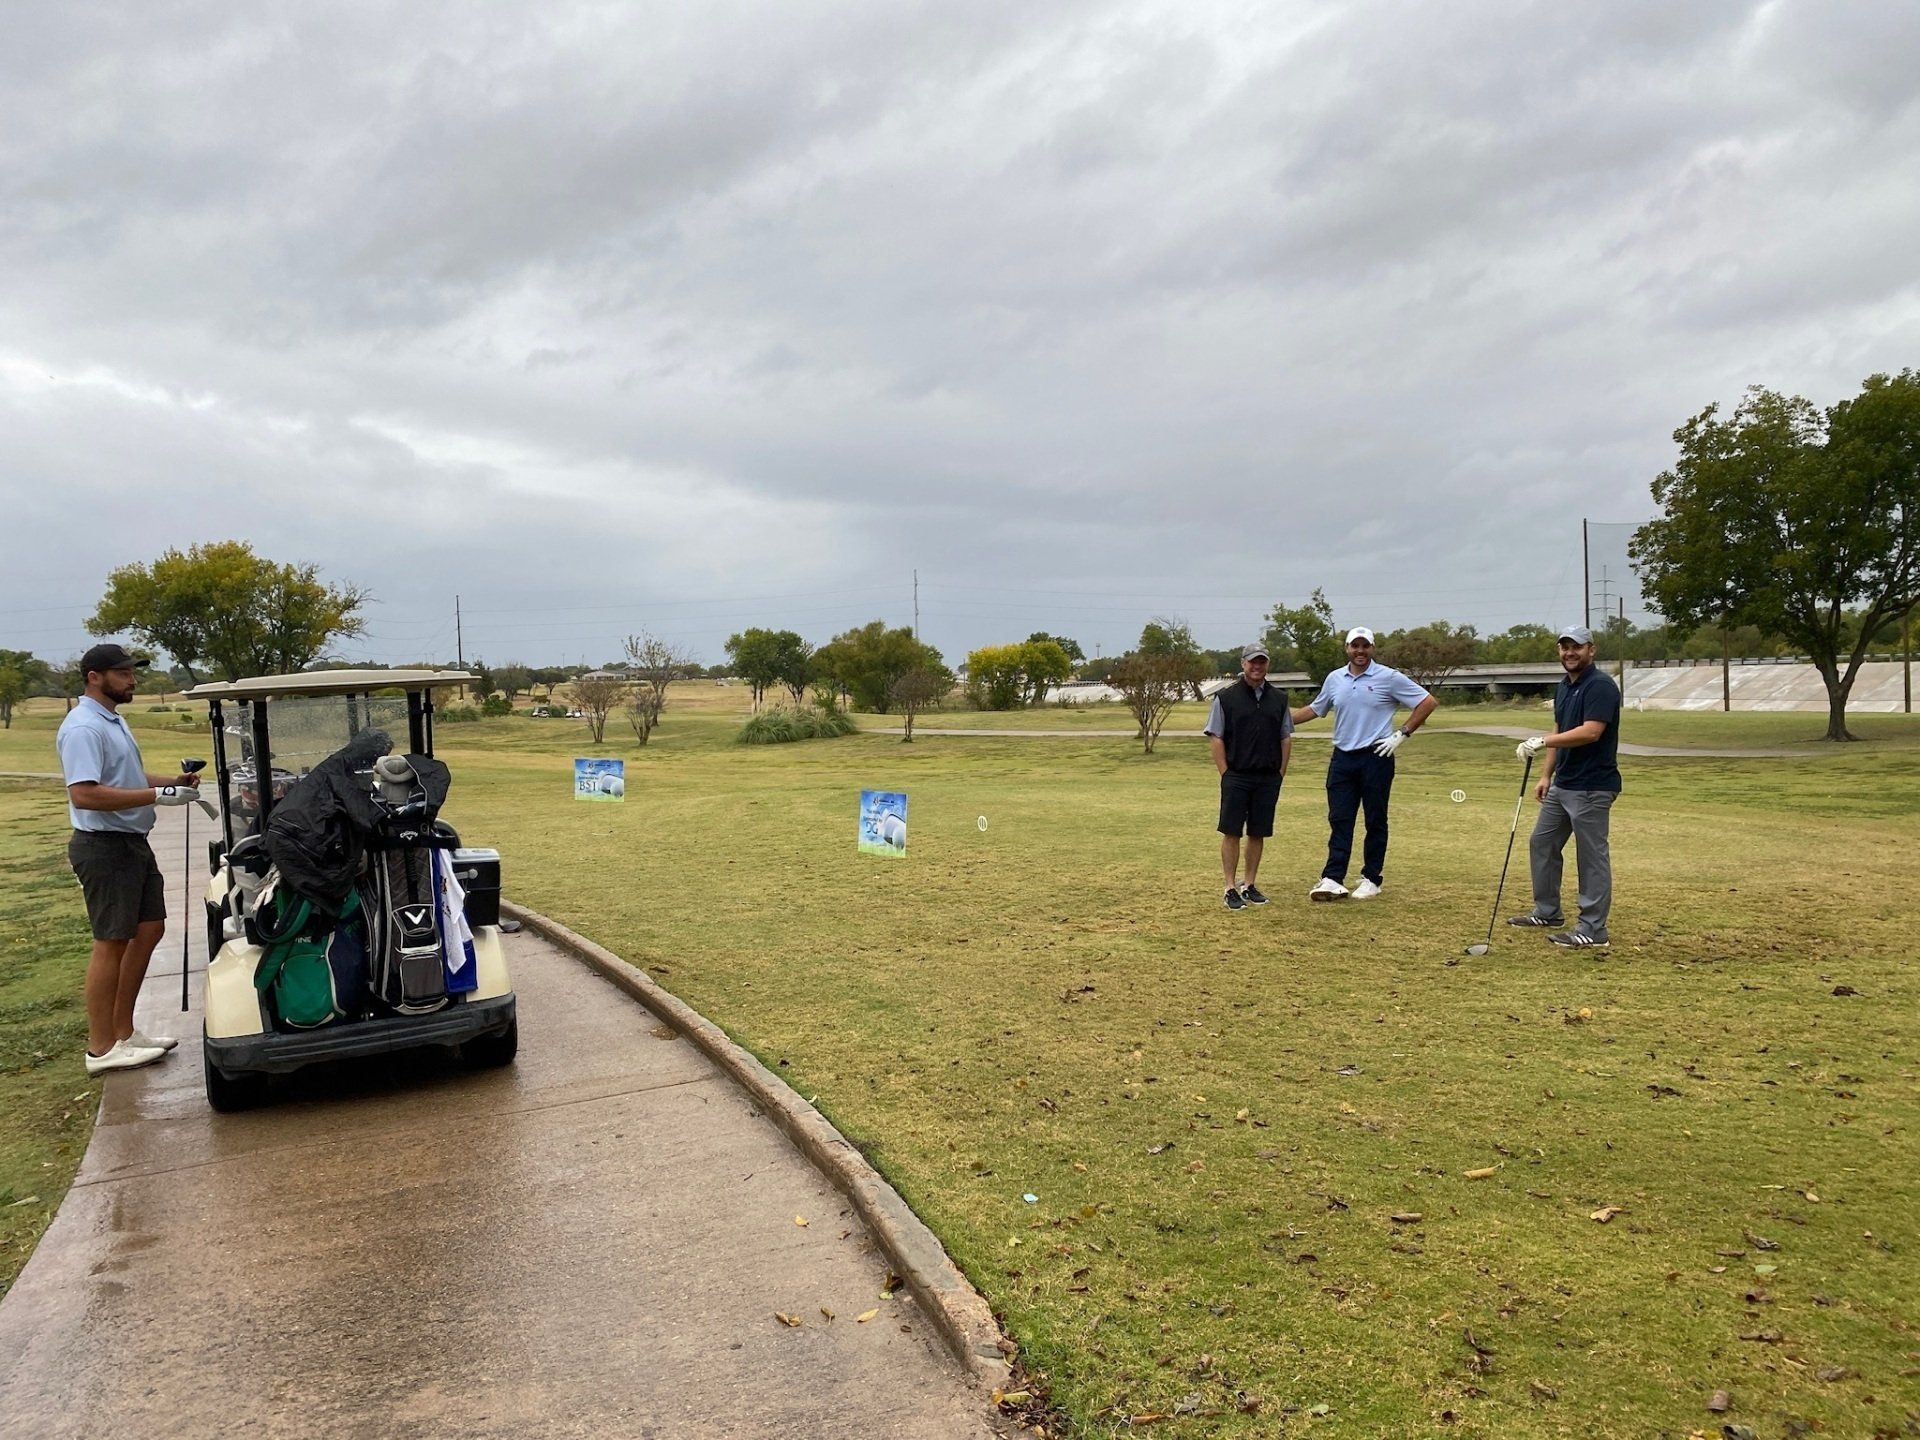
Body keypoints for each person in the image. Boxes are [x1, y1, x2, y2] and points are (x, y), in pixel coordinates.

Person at [56, 644, 202, 1075]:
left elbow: (125, 780)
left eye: (131, 673)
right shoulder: (83, 727)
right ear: (93, 677)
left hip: (130, 843)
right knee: (112, 941)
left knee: (150, 929)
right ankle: (102, 1049)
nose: (131, 680)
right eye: (121, 673)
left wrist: (171, 783)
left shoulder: (112, 720)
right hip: (104, 847)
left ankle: (125, 1032)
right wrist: (157, 795)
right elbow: (84, 793)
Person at [1290, 626, 1437, 900]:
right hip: (1342, 758)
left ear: (1372, 648)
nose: (1360, 651)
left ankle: (1372, 878)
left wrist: (1401, 734)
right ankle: (1333, 878)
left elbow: (1427, 702)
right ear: (1347, 648)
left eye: (1365, 646)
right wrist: (1281, 722)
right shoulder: (1335, 679)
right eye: (1354, 646)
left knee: (1375, 819)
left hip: (1376, 756)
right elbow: (1315, 709)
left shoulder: (1388, 677)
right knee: (1340, 818)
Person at [1508, 625, 1622, 950]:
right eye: (1564, 647)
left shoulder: (1600, 686)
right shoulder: (1564, 686)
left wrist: (1542, 741)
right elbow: (1561, 728)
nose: (1570, 653)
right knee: (1541, 843)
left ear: (1591, 650)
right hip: (1564, 784)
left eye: (1577, 647)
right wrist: (1546, 775)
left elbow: (1590, 732)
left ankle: (1592, 929)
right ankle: (1547, 911)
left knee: (1591, 857)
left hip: (1592, 786)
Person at [1204, 643, 1293, 910]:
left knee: (1258, 832)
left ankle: (1250, 884)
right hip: (1237, 775)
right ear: (1243, 664)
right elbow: (1216, 736)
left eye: (1262, 662)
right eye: (1252, 662)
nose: (1257, 666)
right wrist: (1225, 773)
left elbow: (1285, 737)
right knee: (1231, 831)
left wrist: (1280, 772)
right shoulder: (1226, 698)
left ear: (1267, 665)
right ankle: (1230, 887)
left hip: (1267, 777)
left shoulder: (1279, 698)